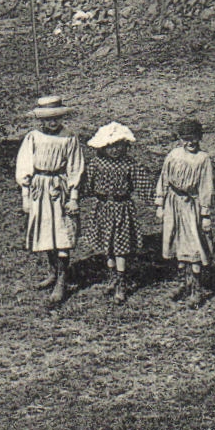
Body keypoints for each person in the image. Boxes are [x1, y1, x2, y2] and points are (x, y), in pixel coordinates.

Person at [15, 95, 87, 306]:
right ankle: (52, 272)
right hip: (39, 188)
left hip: (60, 188)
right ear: (41, 120)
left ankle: (62, 281)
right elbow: (24, 166)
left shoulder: (69, 137)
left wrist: (73, 197)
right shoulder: (33, 137)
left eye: (56, 118)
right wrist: (26, 196)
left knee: (62, 232)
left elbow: (75, 168)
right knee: (45, 230)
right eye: (48, 119)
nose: (52, 122)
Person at [81, 121, 150, 305]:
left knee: (120, 245)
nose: (114, 150)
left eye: (119, 145)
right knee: (107, 245)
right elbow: (87, 186)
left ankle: (121, 282)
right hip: (102, 208)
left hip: (122, 209)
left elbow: (143, 186)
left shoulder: (129, 164)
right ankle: (112, 276)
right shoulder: (96, 164)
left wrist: (156, 201)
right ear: (102, 147)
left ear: (126, 146)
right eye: (110, 146)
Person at [155, 118, 215, 307]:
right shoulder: (173, 155)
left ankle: (196, 289)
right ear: (180, 139)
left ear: (200, 138)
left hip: (191, 205)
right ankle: (185, 283)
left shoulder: (203, 159)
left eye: (194, 138)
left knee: (193, 244)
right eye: (186, 139)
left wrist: (205, 214)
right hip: (173, 203)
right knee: (176, 242)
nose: (190, 143)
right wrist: (160, 203)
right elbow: (164, 178)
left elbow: (206, 186)